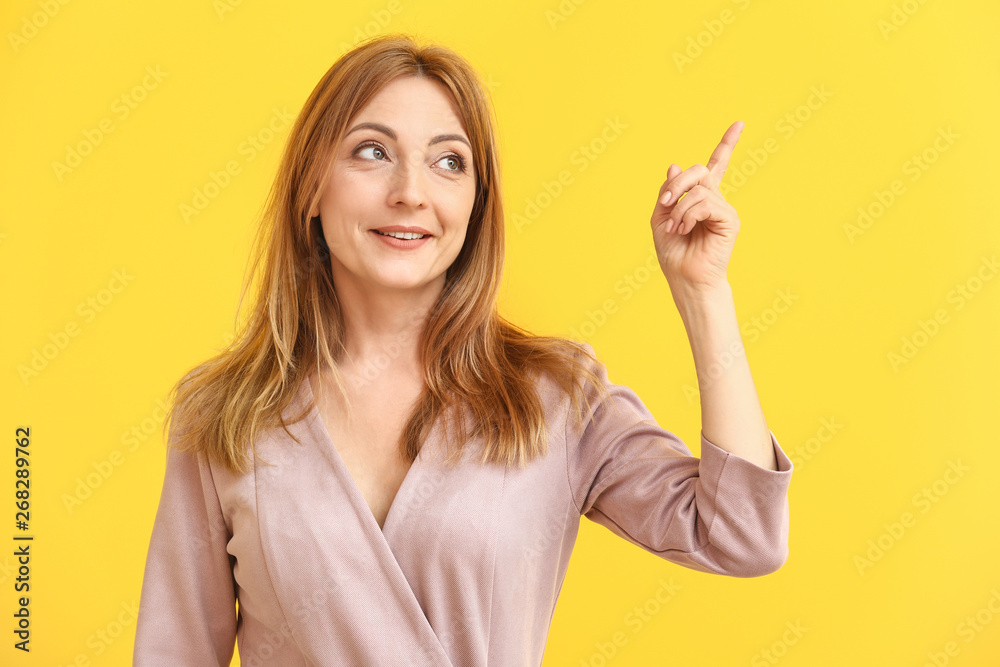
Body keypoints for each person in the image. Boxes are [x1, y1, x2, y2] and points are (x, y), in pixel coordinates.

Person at [132, 32, 793, 666]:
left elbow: (742, 534)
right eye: (371, 151)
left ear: (476, 204)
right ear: (311, 186)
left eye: (449, 162)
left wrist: (704, 294)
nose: (411, 192)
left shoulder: (555, 397)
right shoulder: (223, 415)